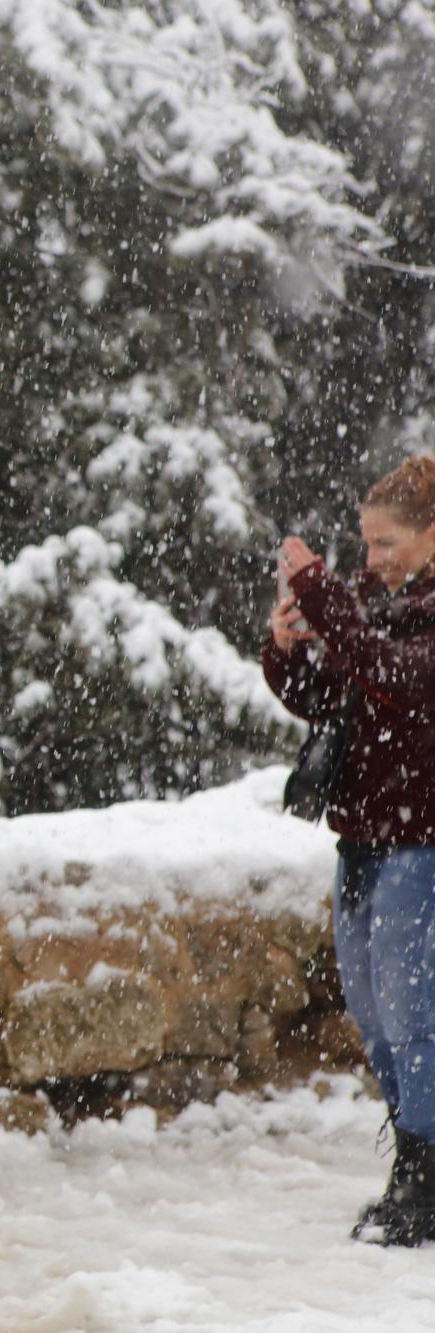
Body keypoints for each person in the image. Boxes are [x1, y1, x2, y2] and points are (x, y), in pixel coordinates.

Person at [265, 453, 435, 1247]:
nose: (371, 561)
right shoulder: (375, 604)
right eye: (365, 545)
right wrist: (287, 644)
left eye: (387, 543)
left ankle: (425, 1183)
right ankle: (412, 1163)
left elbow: (397, 674)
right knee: (373, 1015)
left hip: (421, 840)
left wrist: (328, 599)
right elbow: (327, 693)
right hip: (362, 834)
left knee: (416, 1016)